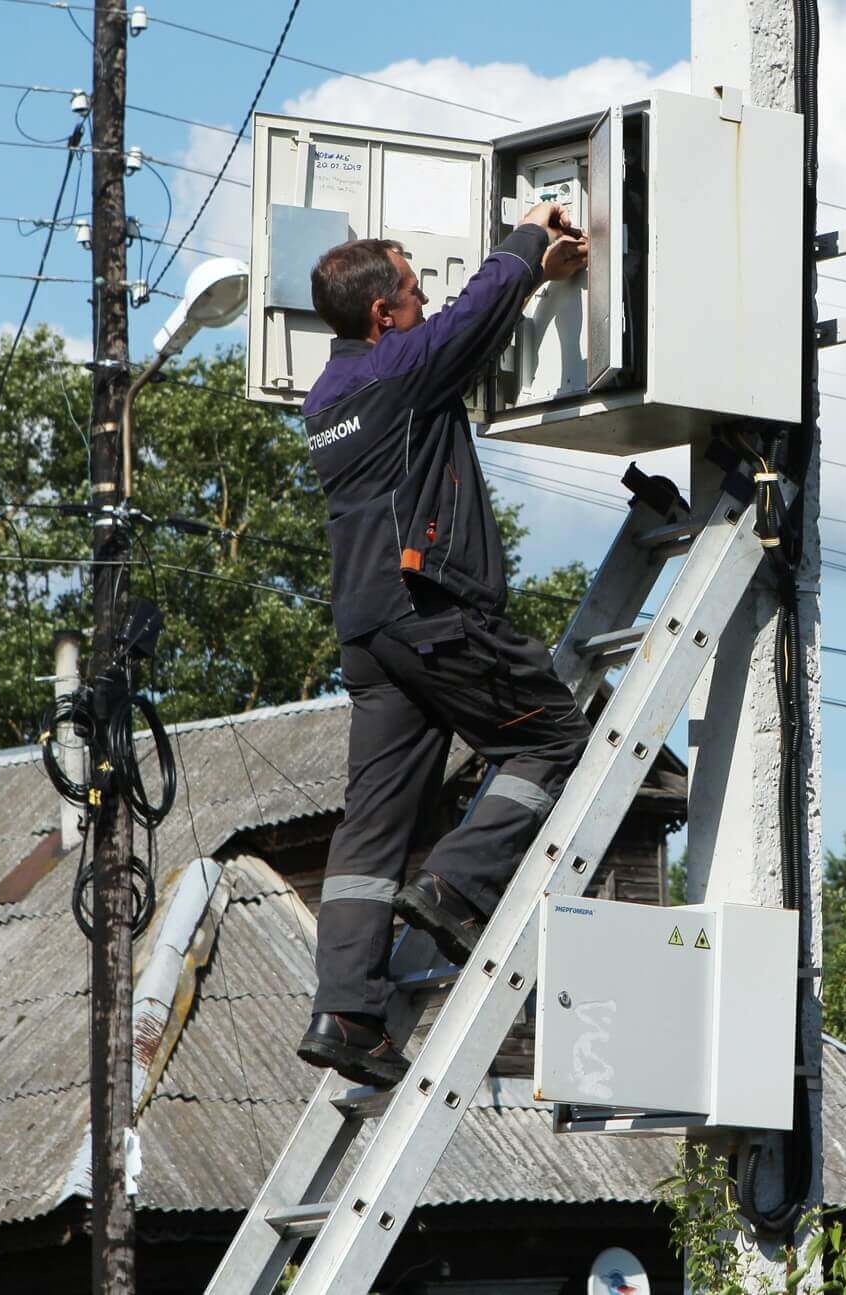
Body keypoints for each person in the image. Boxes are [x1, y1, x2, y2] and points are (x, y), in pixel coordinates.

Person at [293, 205, 592, 1088]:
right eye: (414, 293)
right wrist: (532, 241)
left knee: (372, 826)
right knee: (553, 739)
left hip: (370, 634)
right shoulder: (399, 370)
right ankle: (459, 884)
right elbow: (474, 316)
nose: (427, 302)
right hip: (431, 610)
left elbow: (453, 329)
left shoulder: (327, 397)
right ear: (382, 314)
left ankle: (347, 1012)